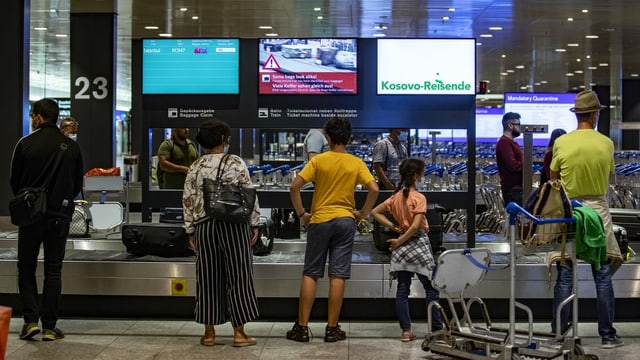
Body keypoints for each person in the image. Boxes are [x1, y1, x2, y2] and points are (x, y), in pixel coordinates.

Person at [287, 117, 379, 343]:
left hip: (319, 220)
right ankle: (332, 329)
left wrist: (302, 214)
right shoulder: (356, 163)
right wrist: (362, 213)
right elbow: (374, 189)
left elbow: (295, 186)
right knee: (338, 274)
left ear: (327, 138)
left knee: (311, 272)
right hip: (345, 221)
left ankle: (301, 328)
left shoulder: (319, 161)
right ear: (348, 138)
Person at [549, 90, 624, 349]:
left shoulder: (562, 143)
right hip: (598, 212)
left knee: (565, 275)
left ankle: (559, 333)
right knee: (602, 274)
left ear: (577, 114)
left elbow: (553, 175)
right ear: (594, 114)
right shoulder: (606, 143)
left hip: (569, 212)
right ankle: (607, 335)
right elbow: (609, 174)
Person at [10, 98, 84, 341]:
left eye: (33, 115)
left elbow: (15, 182)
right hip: (59, 216)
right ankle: (50, 327)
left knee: (26, 267)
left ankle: (30, 322)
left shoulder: (25, 144)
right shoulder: (71, 147)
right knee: (53, 269)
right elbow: (76, 184)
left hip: (31, 215)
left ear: (39, 117)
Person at [182, 119, 261, 347]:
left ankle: (209, 334)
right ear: (223, 140)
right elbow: (249, 194)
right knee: (239, 276)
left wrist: (190, 230)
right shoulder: (235, 162)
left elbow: (187, 200)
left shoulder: (195, 166)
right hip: (234, 225)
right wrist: (254, 224)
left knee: (207, 277)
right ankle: (239, 334)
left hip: (204, 226)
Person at [370, 158, 442, 342]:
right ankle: (436, 330)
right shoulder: (419, 198)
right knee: (432, 289)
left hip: (401, 248)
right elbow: (416, 226)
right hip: (418, 246)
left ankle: (406, 331)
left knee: (402, 290)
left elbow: (375, 212)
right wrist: (400, 237)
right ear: (417, 176)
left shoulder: (395, 197)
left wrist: (394, 228)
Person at [495, 112, 523, 205]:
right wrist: (526, 166)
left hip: (516, 190)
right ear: (510, 125)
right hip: (512, 191)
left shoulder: (512, 142)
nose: (520, 127)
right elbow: (512, 165)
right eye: (518, 124)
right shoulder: (504, 143)